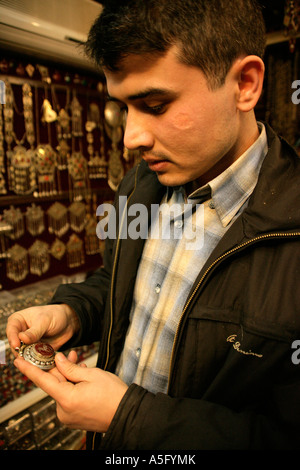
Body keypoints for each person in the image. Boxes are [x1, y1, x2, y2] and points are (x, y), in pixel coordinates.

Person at [7, 0, 300, 450]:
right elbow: (121, 287)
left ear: (244, 84)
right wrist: (71, 313)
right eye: (124, 107)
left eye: (156, 105)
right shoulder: (141, 185)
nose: (131, 138)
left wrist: (128, 417)